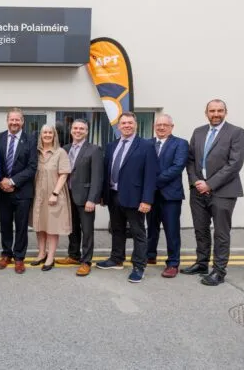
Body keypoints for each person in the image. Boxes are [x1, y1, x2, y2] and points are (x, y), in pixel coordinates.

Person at [182, 99, 244, 286]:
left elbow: (235, 164)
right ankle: (202, 264)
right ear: (206, 113)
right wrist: (196, 182)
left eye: (219, 110)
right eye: (212, 111)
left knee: (221, 233)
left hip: (223, 191)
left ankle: (219, 271)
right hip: (198, 191)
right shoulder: (199, 132)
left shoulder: (236, 132)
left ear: (226, 112)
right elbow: (191, 160)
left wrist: (210, 184)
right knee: (200, 230)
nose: (216, 114)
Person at [96, 112, 158, 283]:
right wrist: (103, 194)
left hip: (136, 198)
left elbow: (151, 175)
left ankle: (139, 266)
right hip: (113, 195)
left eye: (130, 123)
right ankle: (116, 259)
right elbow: (106, 172)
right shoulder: (111, 146)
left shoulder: (146, 146)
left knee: (138, 232)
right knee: (117, 229)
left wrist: (147, 200)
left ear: (135, 125)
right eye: (123, 123)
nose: (127, 126)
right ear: (118, 126)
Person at [55, 119, 103, 276]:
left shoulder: (94, 150)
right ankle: (73, 255)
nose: (78, 131)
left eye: (82, 128)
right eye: (75, 128)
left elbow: (97, 176)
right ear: (71, 131)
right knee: (72, 228)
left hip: (85, 198)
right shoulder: (65, 148)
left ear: (87, 131)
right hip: (67, 196)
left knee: (87, 231)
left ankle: (86, 261)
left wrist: (92, 199)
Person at [0, 108, 37, 274]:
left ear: (22, 121)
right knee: (5, 225)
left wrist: (12, 181)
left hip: (22, 192)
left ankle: (19, 257)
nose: (14, 123)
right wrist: (2, 182)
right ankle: (6, 254)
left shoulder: (30, 139)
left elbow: (32, 166)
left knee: (21, 227)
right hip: (2, 191)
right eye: (11, 120)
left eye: (17, 120)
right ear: (7, 120)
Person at [145, 114, 189, 278]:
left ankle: (172, 263)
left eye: (165, 125)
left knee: (172, 230)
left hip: (170, 195)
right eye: (158, 125)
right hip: (150, 196)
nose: (161, 128)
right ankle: (150, 256)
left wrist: (152, 182)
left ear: (172, 127)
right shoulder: (147, 143)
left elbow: (177, 167)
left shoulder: (180, 143)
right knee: (151, 227)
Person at [29, 125, 72, 271]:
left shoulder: (60, 152)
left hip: (54, 195)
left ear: (54, 135)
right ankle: (41, 253)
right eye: (44, 132)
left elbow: (64, 174)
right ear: (40, 135)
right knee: (40, 225)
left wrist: (55, 193)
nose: (47, 135)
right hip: (38, 194)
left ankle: (50, 257)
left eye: (50, 133)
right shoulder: (35, 152)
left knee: (52, 227)